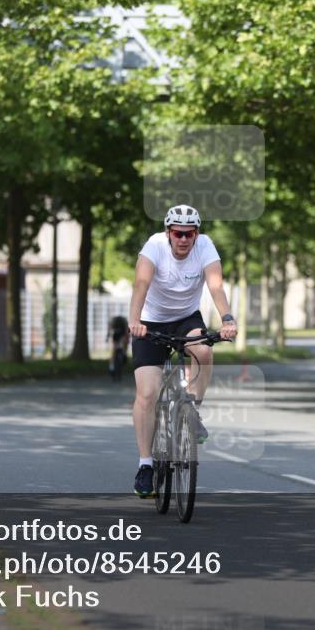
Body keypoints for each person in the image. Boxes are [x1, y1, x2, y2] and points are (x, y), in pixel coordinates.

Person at [128, 204, 237, 497]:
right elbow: (141, 283)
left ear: (197, 233)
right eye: (178, 233)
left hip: (186, 319)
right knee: (148, 394)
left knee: (203, 351)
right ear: (168, 233)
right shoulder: (154, 246)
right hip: (150, 322)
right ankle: (145, 464)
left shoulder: (205, 247)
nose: (184, 239)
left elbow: (216, 286)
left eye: (190, 233)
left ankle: (192, 410)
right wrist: (135, 320)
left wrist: (227, 319)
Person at [107, 314, 130, 381]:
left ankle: (111, 366)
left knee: (114, 349)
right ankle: (124, 354)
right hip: (121, 334)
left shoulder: (114, 321)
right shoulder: (123, 321)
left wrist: (107, 337)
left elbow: (109, 330)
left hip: (117, 334)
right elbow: (126, 332)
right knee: (124, 343)